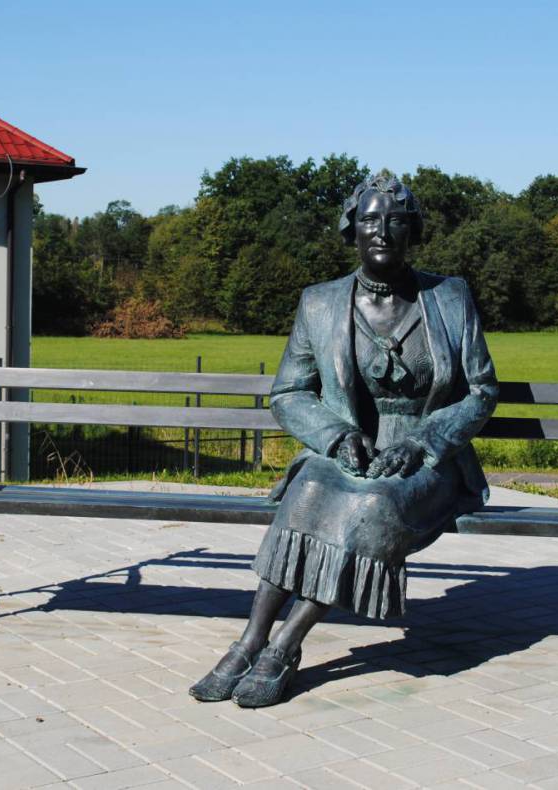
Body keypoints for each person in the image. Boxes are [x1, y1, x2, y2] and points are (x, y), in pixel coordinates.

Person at [189, 171, 499, 708]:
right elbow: (289, 392)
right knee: (307, 494)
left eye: (396, 221)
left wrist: (424, 441)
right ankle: (249, 641)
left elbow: (481, 391)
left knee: (371, 505)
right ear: (351, 230)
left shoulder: (450, 297)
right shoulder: (321, 302)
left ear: (412, 231)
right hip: (346, 448)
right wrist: (335, 437)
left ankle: (285, 646)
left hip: (427, 460)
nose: (382, 230)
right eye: (370, 220)